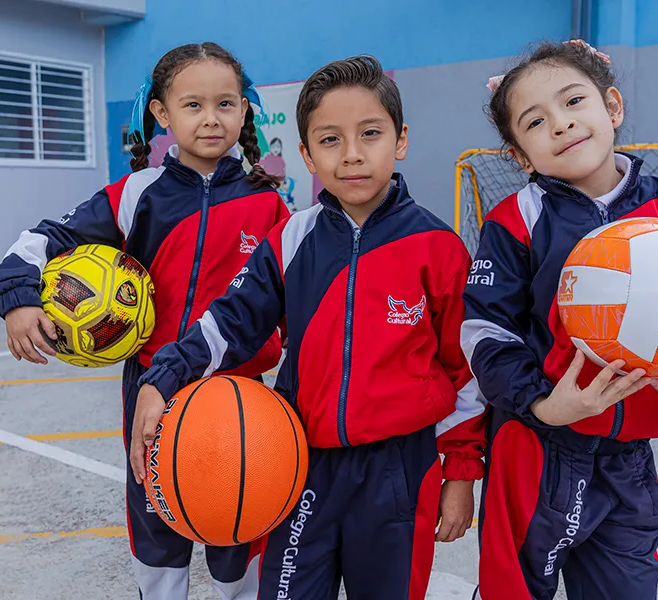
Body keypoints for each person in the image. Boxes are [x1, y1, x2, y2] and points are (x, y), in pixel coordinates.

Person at [130, 55, 487, 600]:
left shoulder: (437, 248)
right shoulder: (291, 240)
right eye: (329, 140)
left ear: (401, 139)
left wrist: (460, 472)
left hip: (399, 472)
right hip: (298, 464)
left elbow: (464, 372)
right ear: (306, 156)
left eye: (370, 134)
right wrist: (163, 377)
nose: (351, 155)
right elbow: (232, 319)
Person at [0, 42, 291, 600]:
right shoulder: (137, 194)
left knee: (240, 517)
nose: (210, 118)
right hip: (154, 387)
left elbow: (297, 302)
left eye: (226, 104)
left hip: (239, 391)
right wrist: (18, 293)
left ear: (245, 112)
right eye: (193, 104)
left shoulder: (269, 206)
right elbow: (47, 237)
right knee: (156, 519)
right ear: (162, 114)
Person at [463, 39, 658, 600]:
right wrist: (544, 403)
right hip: (535, 451)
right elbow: (485, 333)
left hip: (629, 460)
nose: (562, 125)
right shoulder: (514, 221)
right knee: (511, 590)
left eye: (574, 102)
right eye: (536, 121)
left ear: (612, 107)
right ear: (521, 156)